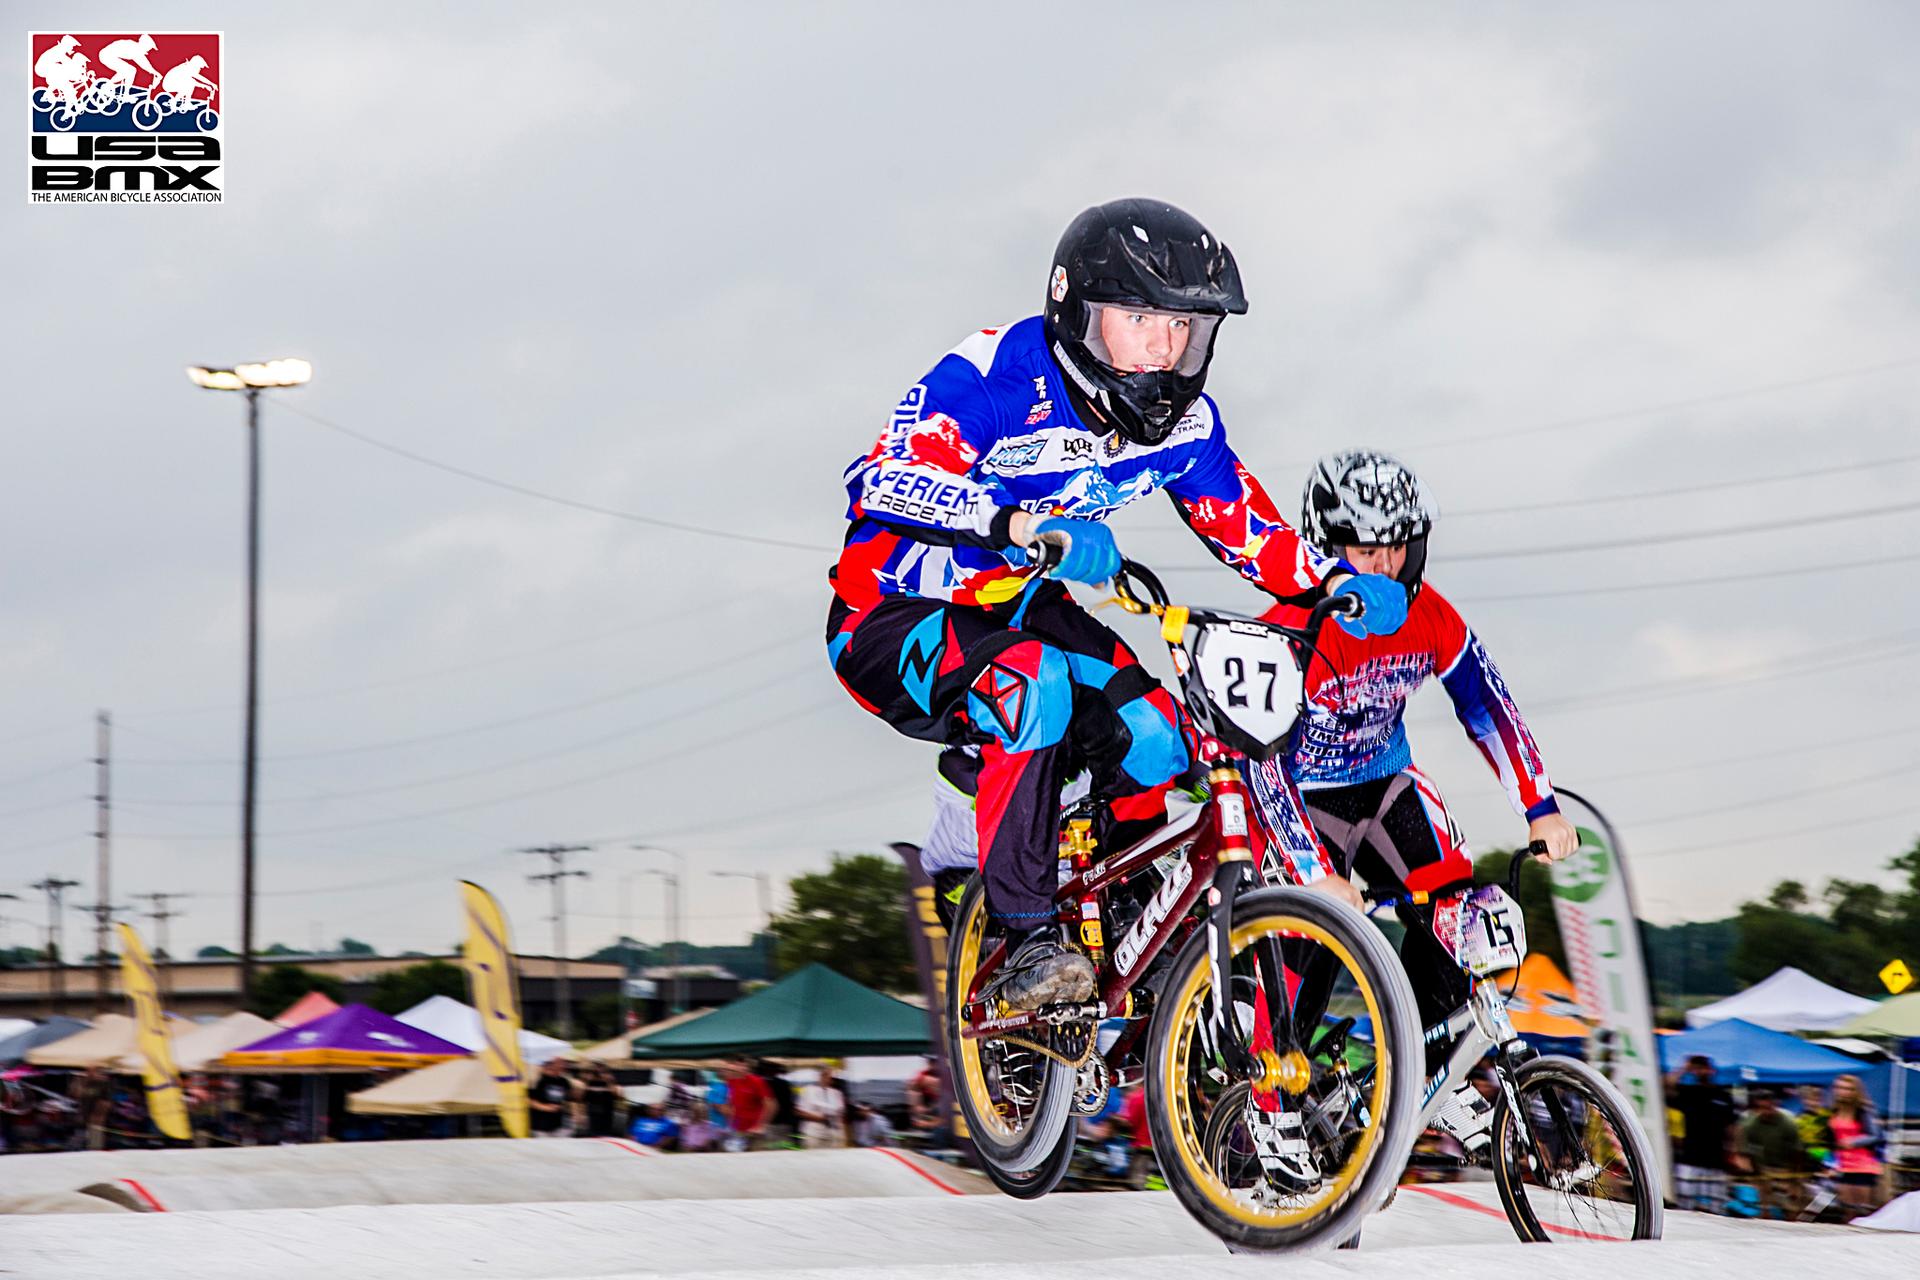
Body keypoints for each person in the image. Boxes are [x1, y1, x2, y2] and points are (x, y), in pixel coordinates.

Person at [828, 198, 1409, 1010]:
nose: (1165, 350)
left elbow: (1251, 531)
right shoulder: (996, 374)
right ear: (1079, 314)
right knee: (1031, 683)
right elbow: (878, 480)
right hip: (887, 611)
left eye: (1185, 328)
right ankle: (1021, 935)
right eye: (1140, 321)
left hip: (1014, 603)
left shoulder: (1186, 429)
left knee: (1156, 733)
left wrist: (1331, 584)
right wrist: (1015, 525)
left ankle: (1138, 931)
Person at [1243, 450, 1574, 1137]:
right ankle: (1271, 1100)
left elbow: (1486, 704)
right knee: (1309, 933)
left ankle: (1424, 1070)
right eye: (1367, 550)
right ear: (1328, 549)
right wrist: (1312, 870)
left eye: (1398, 547)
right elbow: (1259, 760)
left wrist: (1539, 805)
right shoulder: (1290, 627)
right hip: (1298, 794)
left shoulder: (1431, 614)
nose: (1387, 566)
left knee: (1461, 914)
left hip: (1382, 779)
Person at [1670, 1055, 1736, 1212]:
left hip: (1716, 1161)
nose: (1702, 1071)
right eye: (1698, 1068)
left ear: (1712, 1070)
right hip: (1689, 1159)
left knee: (1716, 1208)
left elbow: (1732, 1127)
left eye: (1705, 1068)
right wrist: (1684, 1068)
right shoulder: (1688, 1092)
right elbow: (1665, 1086)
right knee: (1683, 1206)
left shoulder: (1723, 1096)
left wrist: (1733, 1151)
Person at [1739, 1088, 1806, 1218]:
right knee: (1764, 1208)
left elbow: (1798, 1152)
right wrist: (1756, 1174)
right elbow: (1747, 1151)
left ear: (1774, 1105)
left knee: (1791, 1207)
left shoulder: (1788, 1123)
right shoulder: (1751, 1125)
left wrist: (1794, 1180)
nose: (1765, 1112)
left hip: (1787, 1168)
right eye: (1761, 1108)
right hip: (1764, 1168)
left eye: (1768, 1108)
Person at [1826, 1073, 1884, 1216]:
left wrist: (1854, 1142)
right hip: (1841, 1165)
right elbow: (1827, 1140)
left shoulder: (1864, 1111)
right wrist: (1827, 1162)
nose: (1843, 1092)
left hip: (1863, 1165)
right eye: (1840, 1088)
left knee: (1862, 1211)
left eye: (1848, 1089)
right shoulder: (1832, 1111)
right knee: (1846, 1209)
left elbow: (1876, 1135)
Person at [722, 1057, 771, 1149]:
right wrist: (730, 1125)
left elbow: (769, 1104)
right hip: (738, 1129)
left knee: (758, 1153)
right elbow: (731, 1105)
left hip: (754, 1130)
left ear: (748, 1067)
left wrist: (761, 1125)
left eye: (743, 1066)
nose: (740, 1068)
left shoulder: (757, 1081)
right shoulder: (731, 1082)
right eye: (737, 1065)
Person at [796, 1065, 847, 1148]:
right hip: (813, 1133)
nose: (828, 1078)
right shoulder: (808, 1090)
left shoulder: (836, 1093)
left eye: (830, 1075)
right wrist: (818, 1117)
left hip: (833, 1133)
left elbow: (841, 1114)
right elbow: (799, 1111)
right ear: (819, 1076)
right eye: (825, 1074)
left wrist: (841, 1134)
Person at [528, 1058, 576, 1138]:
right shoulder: (538, 1080)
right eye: (561, 1062)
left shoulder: (564, 1081)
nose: (563, 1065)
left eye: (564, 1063)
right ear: (551, 1064)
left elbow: (569, 1099)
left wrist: (572, 1113)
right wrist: (546, 1107)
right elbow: (528, 1100)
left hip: (558, 1125)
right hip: (539, 1125)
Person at [579, 1064, 623, 1138]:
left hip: (606, 1119)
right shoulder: (589, 1084)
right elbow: (580, 1098)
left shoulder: (612, 1085)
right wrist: (586, 1081)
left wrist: (608, 1081)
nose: (600, 1075)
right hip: (593, 1119)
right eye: (596, 1072)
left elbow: (619, 1096)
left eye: (604, 1072)